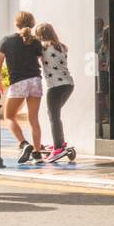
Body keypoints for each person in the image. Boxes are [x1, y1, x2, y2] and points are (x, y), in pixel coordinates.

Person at [0, 10, 47, 163]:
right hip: (35, 81)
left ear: (16, 23)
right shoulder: (36, 42)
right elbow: (37, 60)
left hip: (18, 82)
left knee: (9, 116)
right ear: (32, 23)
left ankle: (23, 143)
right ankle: (37, 154)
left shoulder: (6, 41)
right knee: (33, 119)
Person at [34, 22, 75, 161]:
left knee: (53, 116)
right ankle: (59, 142)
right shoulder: (62, 47)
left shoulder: (43, 48)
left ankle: (59, 147)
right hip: (68, 84)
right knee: (55, 114)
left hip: (55, 86)